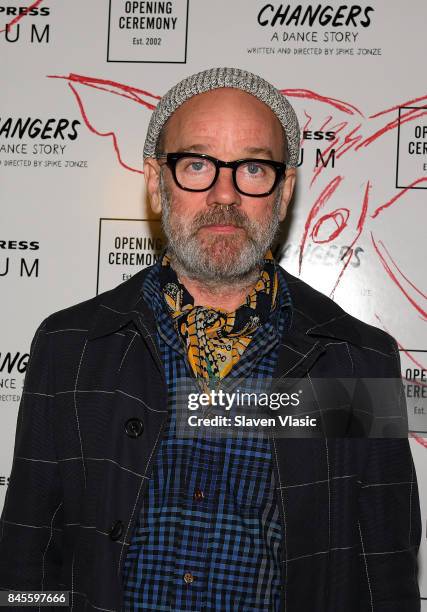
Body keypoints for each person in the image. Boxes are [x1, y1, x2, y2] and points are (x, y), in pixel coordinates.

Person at [0, 67, 421, 612]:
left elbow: (382, 575)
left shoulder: (355, 361)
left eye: (252, 167)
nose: (224, 194)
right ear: (156, 182)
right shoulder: (73, 347)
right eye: (196, 164)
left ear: (284, 188)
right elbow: (28, 561)